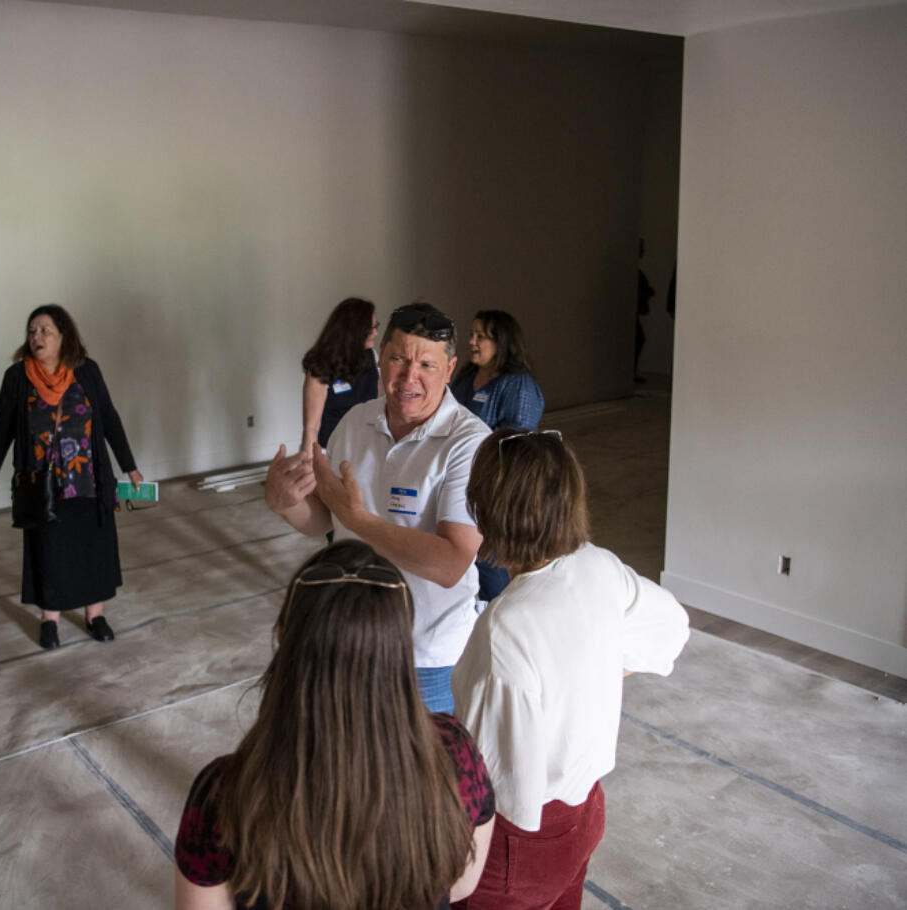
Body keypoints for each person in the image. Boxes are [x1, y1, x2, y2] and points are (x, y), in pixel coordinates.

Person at [174, 541, 496, 910]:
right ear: (402, 646)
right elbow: (463, 883)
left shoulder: (223, 794)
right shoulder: (455, 754)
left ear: (283, 637)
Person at [450, 429, 690, 910]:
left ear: (490, 512)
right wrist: (590, 672)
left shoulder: (506, 628)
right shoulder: (598, 565)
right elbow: (672, 626)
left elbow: (489, 781)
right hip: (585, 817)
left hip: (519, 844)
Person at [266, 303, 489, 713]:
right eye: (399, 359)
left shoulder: (469, 444)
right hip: (351, 638)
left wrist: (358, 520)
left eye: (427, 364)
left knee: (425, 773)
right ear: (380, 356)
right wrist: (286, 504)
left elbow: (451, 563)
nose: (409, 377)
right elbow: (322, 520)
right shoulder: (355, 422)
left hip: (425, 657)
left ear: (451, 368)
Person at [0, 304, 142, 650]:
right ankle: (49, 618)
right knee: (48, 550)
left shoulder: (87, 371)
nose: (36, 337)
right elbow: (1, 431)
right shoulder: (18, 377)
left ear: (64, 336)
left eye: (44, 331)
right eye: (32, 331)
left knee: (91, 548)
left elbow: (108, 419)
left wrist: (129, 466)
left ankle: (94, 615)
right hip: (42, 486)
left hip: (89, 479)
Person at [449, 309, 544, 603]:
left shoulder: (517, 385)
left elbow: (518, 443)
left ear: (502, 342)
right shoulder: (466, 378)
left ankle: (501, 617)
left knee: (492, 565)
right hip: (460, 480)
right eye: (472, 334)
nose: (473, 341)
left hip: (497, 490)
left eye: (482, 336)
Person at [299, 297, 380, 456]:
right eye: (371, 328)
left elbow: (377, 404)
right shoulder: (320, 367)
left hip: (365, 447)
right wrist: (309, 465)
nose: (376, 332)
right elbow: (311, 428)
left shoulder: (372, 357)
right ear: (354, 331)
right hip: (330, 451)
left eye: (376, 326)